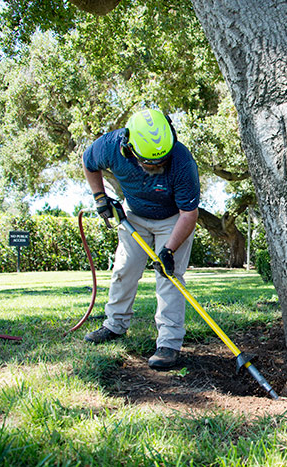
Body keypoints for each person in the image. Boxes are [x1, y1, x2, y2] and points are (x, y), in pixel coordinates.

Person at [82, 108, 200, 370]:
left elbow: (188, 214)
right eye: (150, 163)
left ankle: (169, 342)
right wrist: (100, 197)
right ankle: (114, 325)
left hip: (173, 220)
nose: (158, 167)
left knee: (169, 278)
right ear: (129, 149)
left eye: (162, 161)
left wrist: (168, 250)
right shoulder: (110, 146)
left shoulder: (182, 162)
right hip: (133, 215)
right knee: (124, 269)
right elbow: (89, 163)